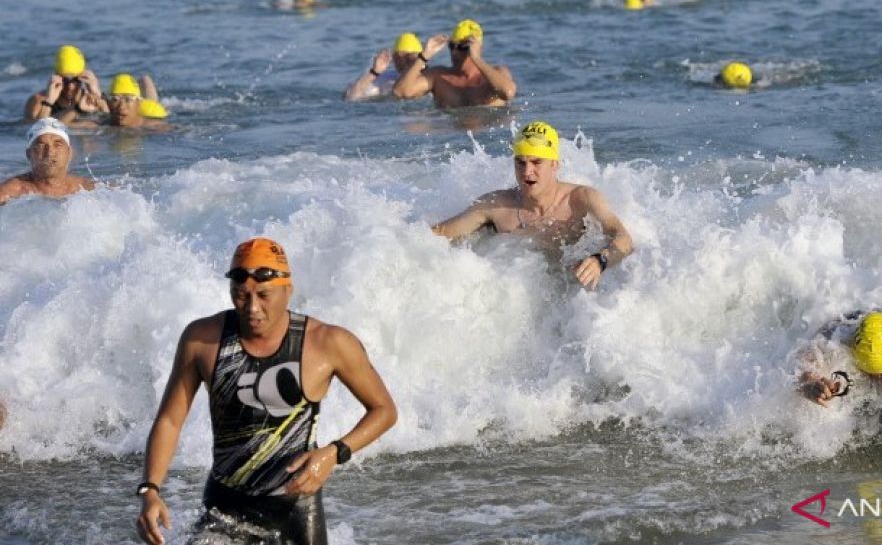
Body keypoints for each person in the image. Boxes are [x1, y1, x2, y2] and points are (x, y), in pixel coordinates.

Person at [135, 238, 397, 545]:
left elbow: (384, 410)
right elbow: (170, 420)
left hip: (295, 508)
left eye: (263, 295)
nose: (252, 308)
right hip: (224, 507)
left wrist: (334, 453)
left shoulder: (328, 343)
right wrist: (150, 490)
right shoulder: (201, 340)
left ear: (288, 290)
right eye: (242, 296)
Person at [433, 121, 634, 290]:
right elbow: (438, 235)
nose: (527, 172)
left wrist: (601, 260)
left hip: (576, 294)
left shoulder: (582, 199)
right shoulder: (496, 206)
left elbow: (623, 238)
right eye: (520, 163)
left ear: (555, 165)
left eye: (536, 162)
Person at [394, 19, 517, 108]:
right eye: (451, 46)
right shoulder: (439, 77)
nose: (455, 52)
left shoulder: (496, 74)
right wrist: (424, 56)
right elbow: (401, 92)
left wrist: (476, 58)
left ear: (478, 48)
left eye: (463, 47)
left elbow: (508, 92)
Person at [0, 118, 95, 205]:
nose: (49, 153)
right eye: (41, 145)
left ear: (69, 153)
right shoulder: (10, 192)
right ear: (28, 154)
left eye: (58, 145)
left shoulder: (87, 189)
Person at [24, 45, 108, 123]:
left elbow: (110, 125)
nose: (70, 86)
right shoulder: (38, 101)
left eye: (76, 80)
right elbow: (38, 130)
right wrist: (49, 101)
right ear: (56, 76)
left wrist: (98, 95)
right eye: (65, 80)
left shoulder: (90, 99)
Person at [344, 33, 423, 101]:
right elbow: (351, 97)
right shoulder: (385, 80)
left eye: (409, 57)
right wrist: (374, 72)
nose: (403, 61)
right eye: (398, 58)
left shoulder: (428, 78)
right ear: (394, 59)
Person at [103, 74, 170, 130]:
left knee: (153, 105)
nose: (121, 107)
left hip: (151, 111)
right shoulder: (101, 123)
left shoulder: (154, 126)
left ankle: (144, 79)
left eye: (128, 99)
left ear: (139, 102)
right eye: (115, 100)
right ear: (108, 103)